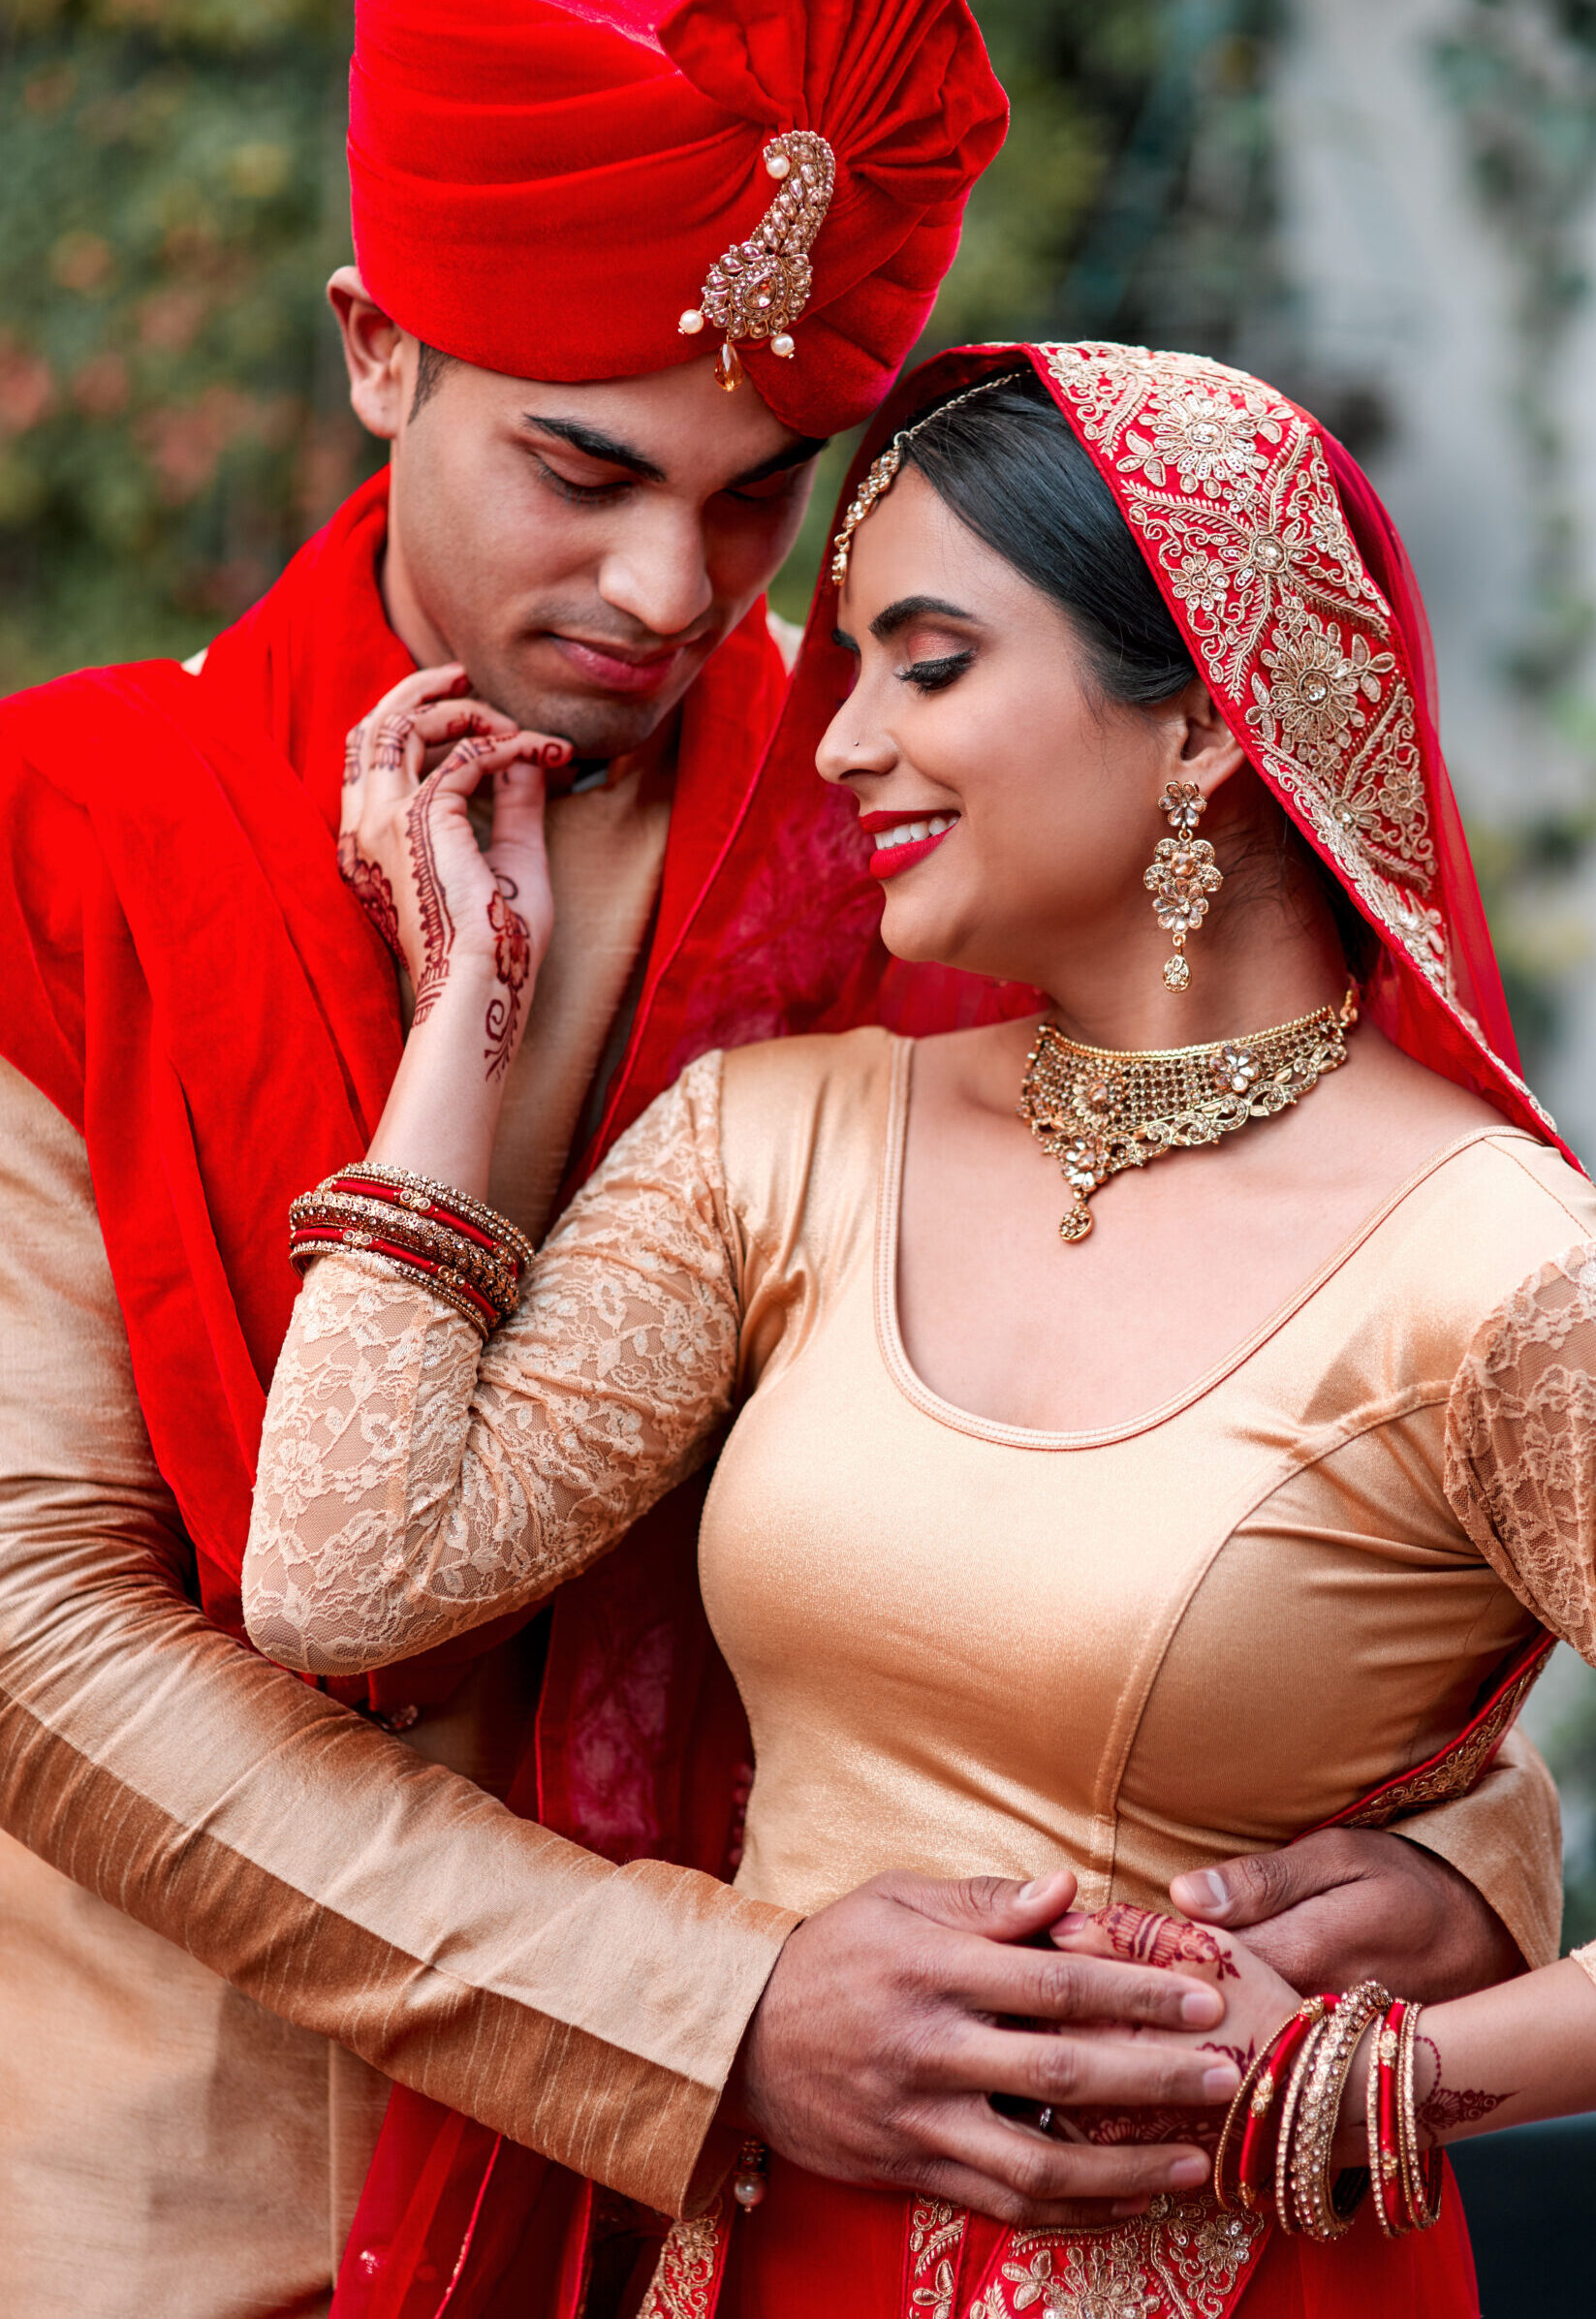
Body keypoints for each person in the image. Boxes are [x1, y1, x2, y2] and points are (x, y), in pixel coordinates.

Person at [0, 0, 1553, 2304]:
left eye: (759, 500)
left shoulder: (936, 850)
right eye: (582, 466)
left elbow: (1227, 1452)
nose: (667, 588)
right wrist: (698, 2011)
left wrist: (1453, 1850)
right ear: (376, 349)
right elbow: (44, 1628)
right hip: (212, 2195)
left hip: (809, 2205)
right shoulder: (68, 837)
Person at [245, 339, 1596, 2316]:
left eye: (929, 664)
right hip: (761, 2254)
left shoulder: (1494, 1266)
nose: (841, 741)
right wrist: (471, 1010)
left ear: (1203, 720)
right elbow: (343, 1578)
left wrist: (1369, 2081)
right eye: (853, 664)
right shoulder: (775, 1143)